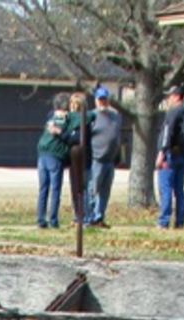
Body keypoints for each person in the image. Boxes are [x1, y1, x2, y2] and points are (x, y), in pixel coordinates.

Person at [156, 85, 184, 230]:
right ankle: (180, 221)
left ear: (176, 97)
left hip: (170, 155)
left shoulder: (173, 113)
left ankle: (164, 221)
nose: (168, 99)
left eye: (170, 96)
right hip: (183, 154)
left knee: (166, 187)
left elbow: (167, 134)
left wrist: (162, 153)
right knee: (179, 190)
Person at [84, 86, 123, 227]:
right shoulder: (91, 116)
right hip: (96, 158)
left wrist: (118, 155)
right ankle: (90, 217)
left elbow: (117, 136)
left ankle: (99, 217)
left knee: (105, 191)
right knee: (92, 189)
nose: (102, 102)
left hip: (110, 159)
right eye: (100, 99)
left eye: (104, 99)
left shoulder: (116, 116)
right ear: (95, 100)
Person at [36, 92, 75, 229]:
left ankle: (40, 219)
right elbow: (68, 136)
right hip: (55, 155)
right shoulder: (65, 119)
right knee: (55, 189)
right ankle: (53, 219)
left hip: (42, 153)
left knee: (43, 188)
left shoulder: (50, 117)